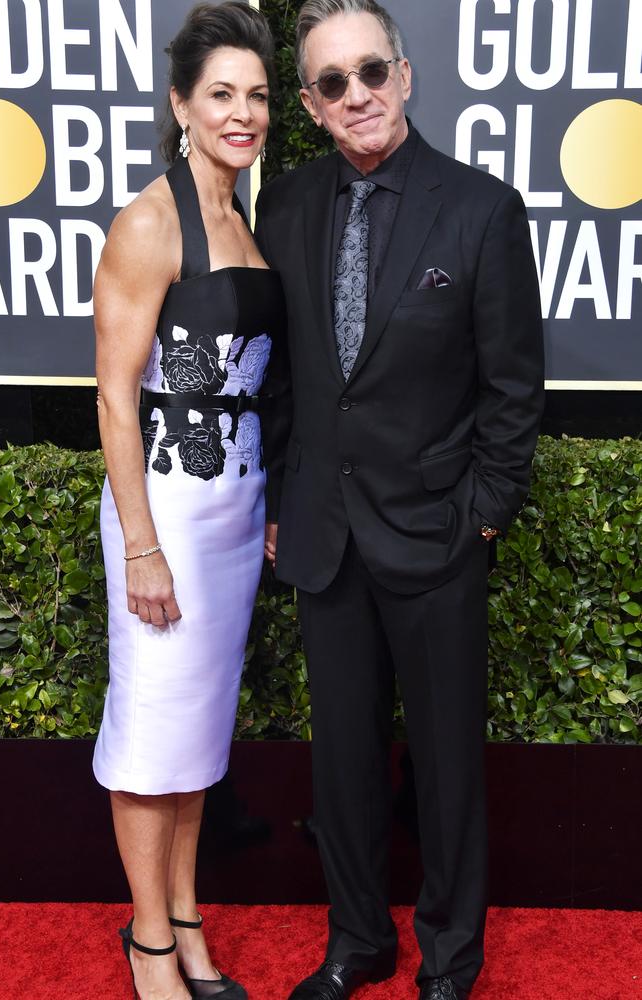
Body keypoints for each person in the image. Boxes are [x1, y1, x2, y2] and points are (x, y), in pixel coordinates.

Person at [255, 2, 545, 998]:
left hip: (437, 536)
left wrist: (482, 516)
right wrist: (278, 502)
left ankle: (448, 958)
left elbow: (511, 391)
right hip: (323, 540)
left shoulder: (478, 209)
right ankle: (357, 941)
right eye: (331, 83)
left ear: (405, 75)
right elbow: (285, 374)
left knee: (445, 771)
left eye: (370, 70)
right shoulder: (284, 206)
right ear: (309, 104)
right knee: (339, 768)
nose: (356, 95)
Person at [92, 4, 284, 998]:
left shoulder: (238, 214)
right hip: (164, 512)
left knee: (197, 733)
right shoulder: (150, 220)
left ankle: (188, 920)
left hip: (232, 514)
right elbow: (115, 395)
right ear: (180, 104)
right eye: (222, 94)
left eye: (256, 95)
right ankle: (149, 944)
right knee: (150, 729)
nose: (242, 113)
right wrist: (140, 546)